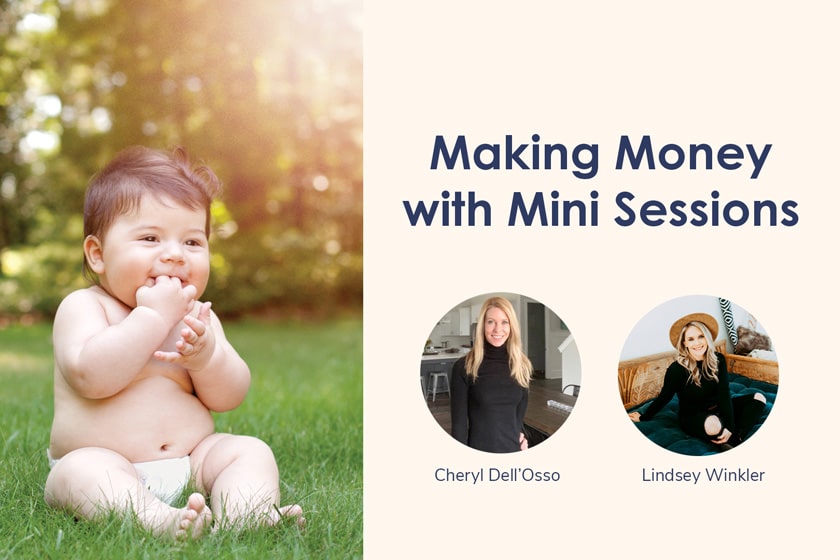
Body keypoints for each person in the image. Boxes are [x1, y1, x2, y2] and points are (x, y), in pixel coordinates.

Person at [44, 146, 303, 539]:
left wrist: (207, 358)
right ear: (97, 255)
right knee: (76, 474)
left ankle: (246, 514)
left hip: (191, 459)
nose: (175, 255)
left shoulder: (198, 317)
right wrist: (152, 318)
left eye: (192, 242)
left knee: (248, 450)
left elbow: (230, 396)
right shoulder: (85, 307)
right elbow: (90, 377)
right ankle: (157, 520)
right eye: (150, 238)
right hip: (107, 463)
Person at [628, 312, 767, 450]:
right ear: (685, 343)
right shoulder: (676, 369)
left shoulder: (718, 359)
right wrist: (643, 416)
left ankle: (737, 437)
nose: (697, 343)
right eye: (691, 339)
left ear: (707, 338)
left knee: (759, 398)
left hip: (718, 408)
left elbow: (724, 393)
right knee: (713, 424)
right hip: (693, 416)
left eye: (701, 336)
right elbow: (665, 397)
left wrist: (730, 427)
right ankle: (728, 437)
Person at [450, 296, 532, 453]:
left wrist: (522, 438)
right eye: (491, 322)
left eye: (504, 322)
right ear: (482, 326)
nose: (497, 329)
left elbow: (517, 418)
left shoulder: (522, 365)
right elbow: (459, 427)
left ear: (512, 326)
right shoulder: (464, 366)